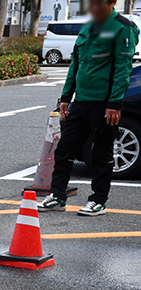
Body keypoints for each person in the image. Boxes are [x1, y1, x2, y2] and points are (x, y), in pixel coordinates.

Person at [38, 0, 139, 216]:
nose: (93, 7)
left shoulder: (123, 27)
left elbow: (123, 67)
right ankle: (57, 196)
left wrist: (115, 103)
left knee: (101, 153)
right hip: (81, 101)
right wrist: (66, 96)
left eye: (98, 3)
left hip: (104, 102)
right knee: (64, 149)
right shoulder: (87, 27)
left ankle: (98, 200)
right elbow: (76, 64)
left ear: (112, 2)